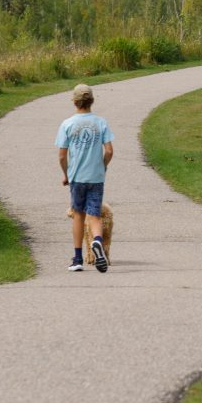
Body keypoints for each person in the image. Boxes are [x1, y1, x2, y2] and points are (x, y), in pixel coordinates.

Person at [56, 84, 114, 272]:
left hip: (77, 177)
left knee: (78, 215)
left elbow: (62, 156)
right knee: (94, 214)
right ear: (92, 101)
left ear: (74, 101)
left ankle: (78, 258)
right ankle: (97, 241)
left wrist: (66, 175)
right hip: (96, 177)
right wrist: (103, 166)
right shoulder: (100, 123)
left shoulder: (67, 124)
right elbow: (109, 151)